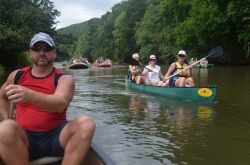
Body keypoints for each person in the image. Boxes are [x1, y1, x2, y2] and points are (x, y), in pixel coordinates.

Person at [0, 32, 95, 164]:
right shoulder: (17, 76)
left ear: (54, 53)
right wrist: (7, 119)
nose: (42, 53)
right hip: (26, 138)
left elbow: (59, 104)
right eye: (37, 48)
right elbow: (2, 96)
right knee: (5, 128)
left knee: (86, 124)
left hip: (56, 137)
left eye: (47, 49)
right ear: (30, 53)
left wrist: (29, 96)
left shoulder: (64, 79)